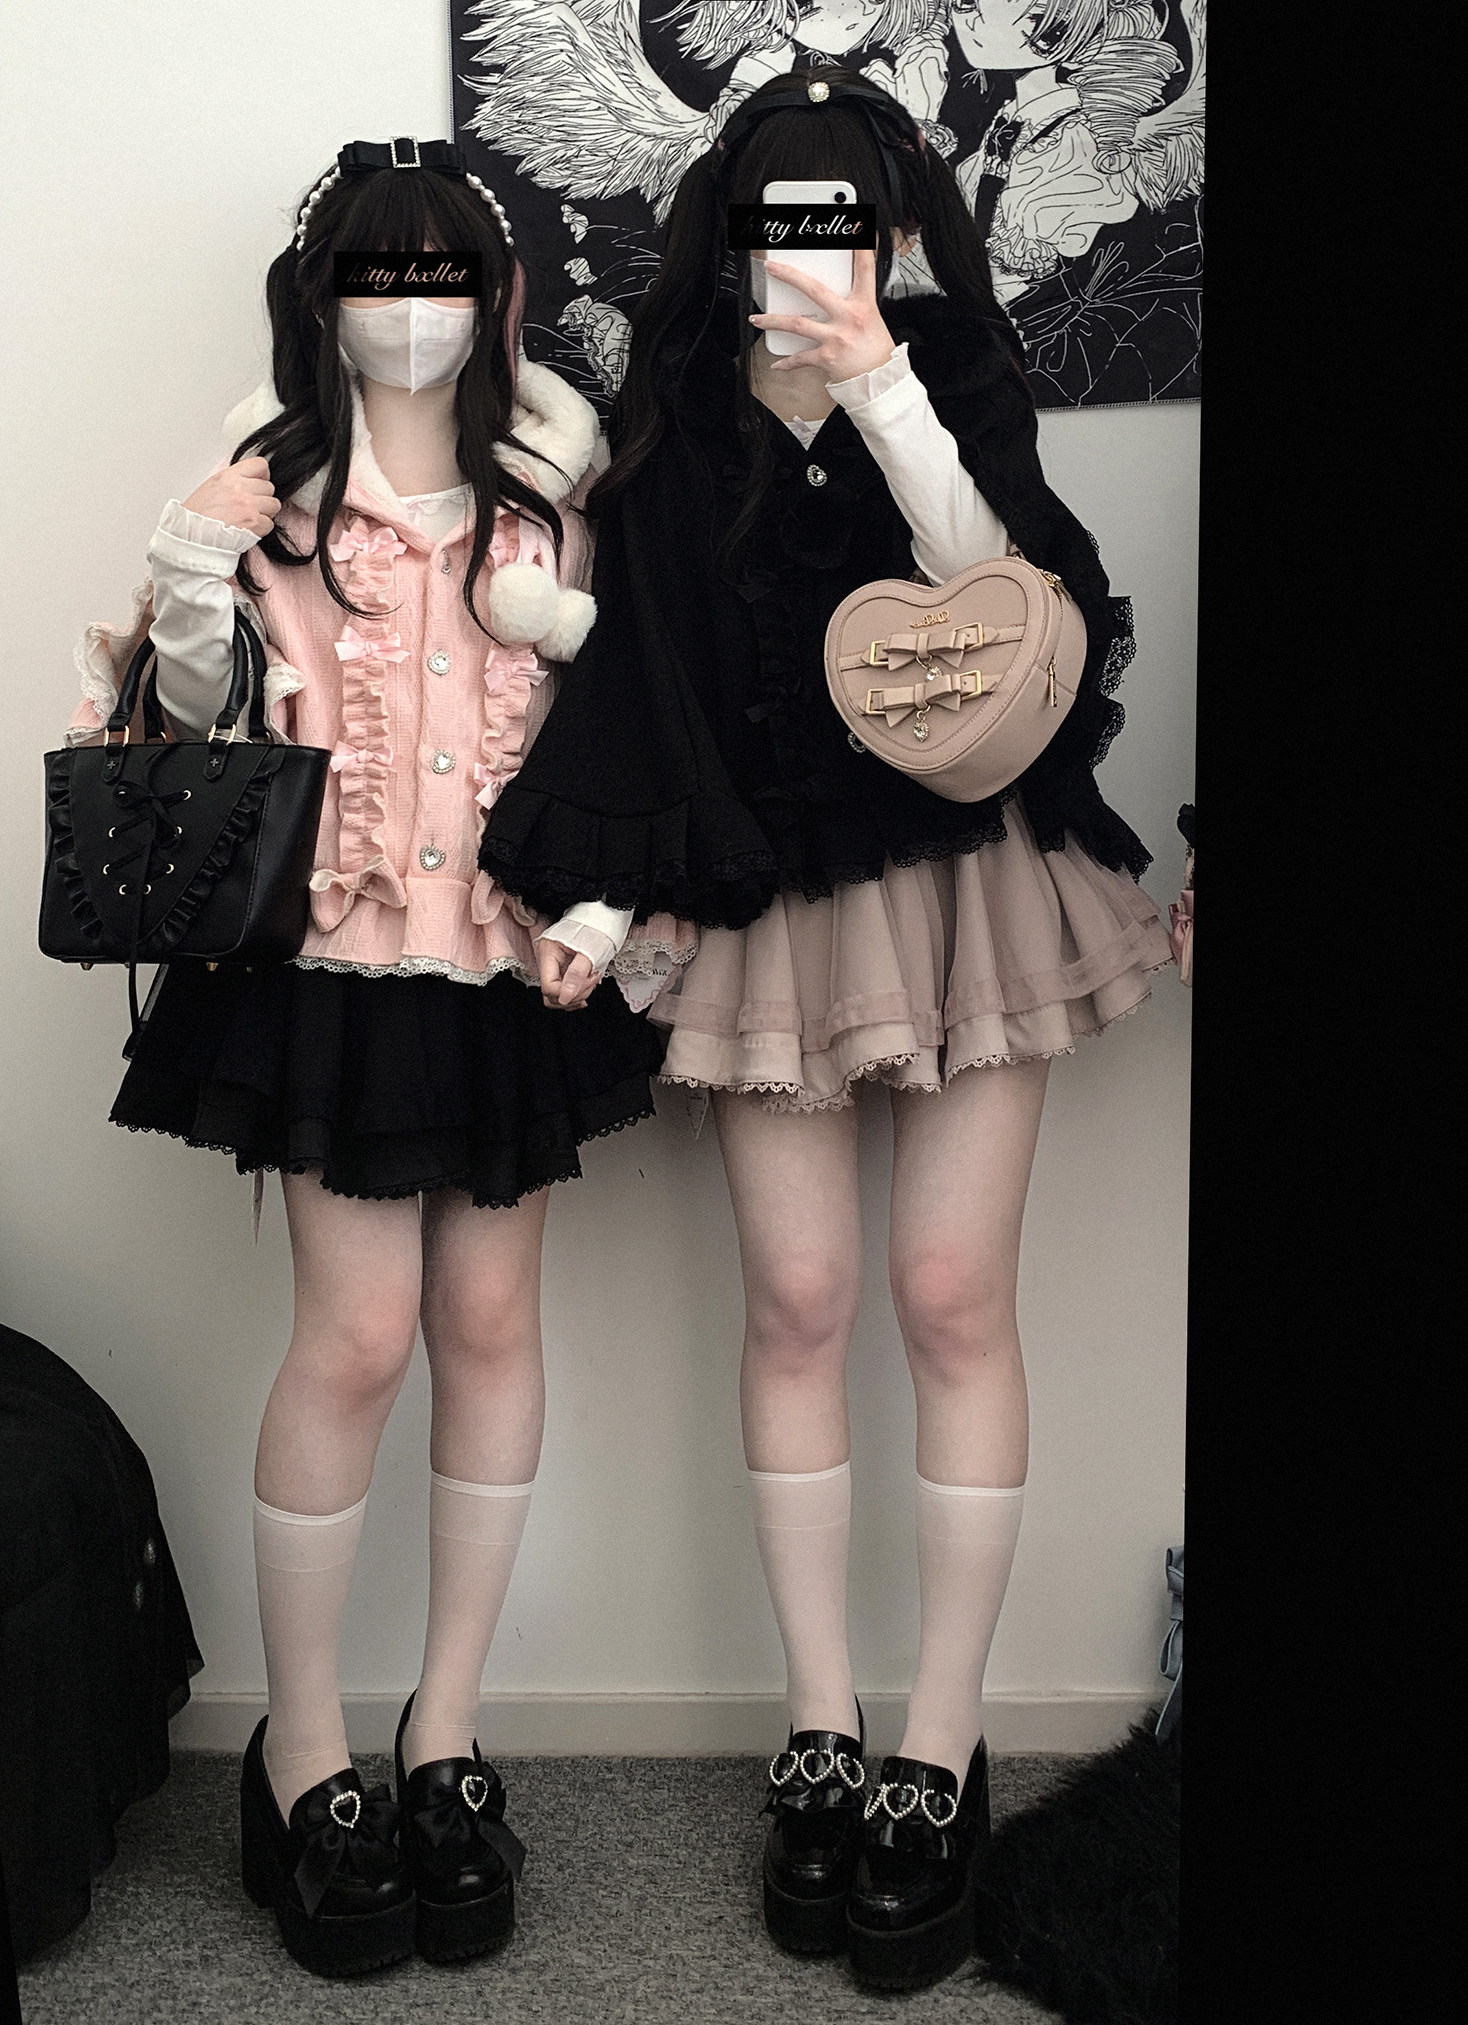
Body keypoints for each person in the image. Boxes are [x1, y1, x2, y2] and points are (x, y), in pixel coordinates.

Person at [479, 67, 1173, 1991]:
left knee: (950, 1295)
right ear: (729, 232)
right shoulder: (675, 417)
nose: (807, 253)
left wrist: (880, 378)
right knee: (795, 1302)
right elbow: (642, 683)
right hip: (759, 888)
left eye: (839, 221)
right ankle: (817, 1719)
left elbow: (1022, 602)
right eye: (777, 223)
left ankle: (937, 1742)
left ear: (889, 229)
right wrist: (601, 902)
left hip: (966, 881)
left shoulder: (950, 370)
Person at [63, 136, 664, 1980]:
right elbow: (185, 733)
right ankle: (303, 1749)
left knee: (488, 1328)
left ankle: (447, 1729)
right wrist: (190, 562)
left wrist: (601, 909)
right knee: (357, 1337)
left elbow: (616, 738)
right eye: (372, 275)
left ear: (496, 297)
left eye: (441, 274)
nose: (408, 310)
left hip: (503, 974)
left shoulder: (551, 509)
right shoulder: (265, 501)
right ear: (318, 297)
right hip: (327, 968)